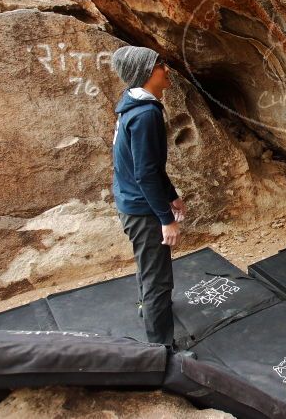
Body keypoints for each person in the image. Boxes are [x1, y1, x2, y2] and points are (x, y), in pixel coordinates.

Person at [111, 45, 186, 346]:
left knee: (148, 267)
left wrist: (172, 195)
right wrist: (166, 219)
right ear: (144, 73)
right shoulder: (145, 115)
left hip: (130, 202)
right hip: (141, 211)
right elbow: (145, 174)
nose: (166, 69)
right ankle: (162, 349)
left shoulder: (131, 104)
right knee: (159, 280)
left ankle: (149, 309)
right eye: (159, 65)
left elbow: (149, 166)